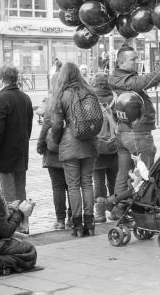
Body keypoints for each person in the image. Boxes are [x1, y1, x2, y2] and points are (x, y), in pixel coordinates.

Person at [109, 43, 160, 198]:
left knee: (124, 173)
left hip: (125, 133)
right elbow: (152, 78)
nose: (136, 62)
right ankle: (143, 208)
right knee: (146, 173)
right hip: (137, 133)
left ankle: (118, 208)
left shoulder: (119, 78)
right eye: (133, 59)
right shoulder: (126, 81)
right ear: (122, 63)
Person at [50, 62, 99, 237]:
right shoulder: (89, 91)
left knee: (73, 185)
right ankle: (90, 223)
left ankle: (77, 225)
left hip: (70, 143)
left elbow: (56, 125)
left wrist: (56, 141)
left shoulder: (62, 95)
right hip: (90, 142)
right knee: (87, 183)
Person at [0, 64, 34, 234]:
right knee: (20, 190)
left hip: (5, 154)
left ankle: (12, 227)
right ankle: (24, 224)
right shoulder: (25, 98)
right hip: (21, 153)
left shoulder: (1, 99)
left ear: (1, 79)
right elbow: (28, 128)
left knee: (7, 193)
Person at [37, 97, 73, 230]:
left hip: (54, 151)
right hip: (72, 148)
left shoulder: (52, 102)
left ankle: (60, 221)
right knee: (72, 186)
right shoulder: (73, 98)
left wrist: (40, 145)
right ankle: (72, 218)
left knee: (57, 186)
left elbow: (46, 125)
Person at [91, 72, 119, 223]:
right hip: (114, 146)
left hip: (96, 146)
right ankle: (114, 211)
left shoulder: (90, 98)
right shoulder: (115, 97)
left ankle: (100, 214)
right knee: (113, 179)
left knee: (98, 180)